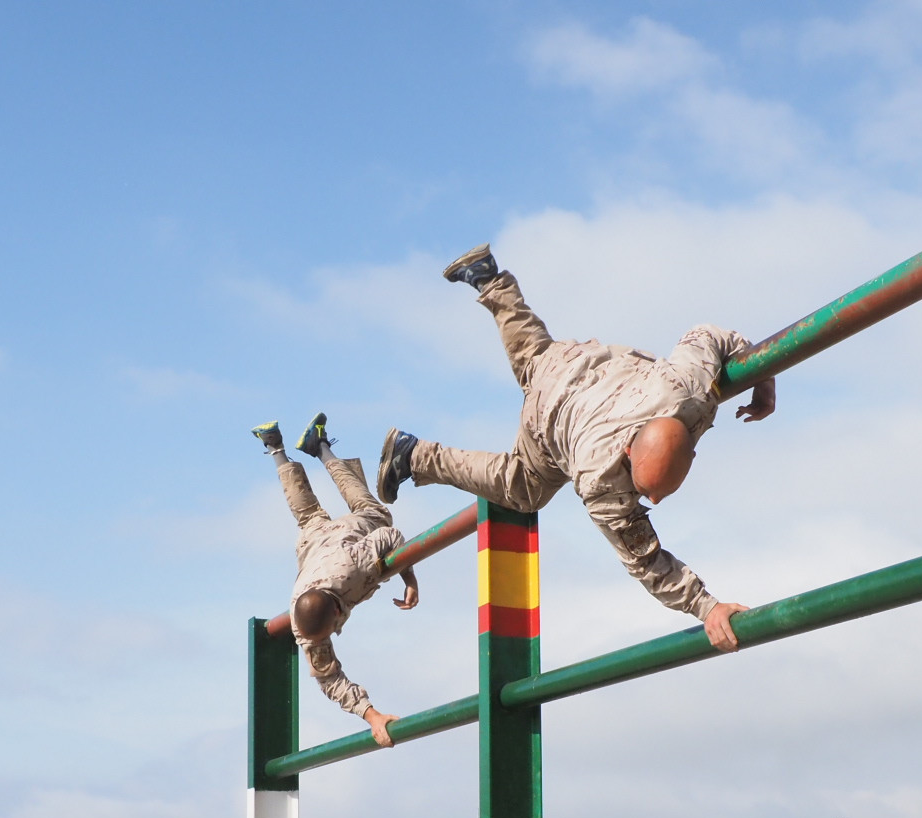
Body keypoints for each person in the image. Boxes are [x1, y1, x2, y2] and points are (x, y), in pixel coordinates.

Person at [378, 245, 777, 652]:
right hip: (551, 416)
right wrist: (705, 606)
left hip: (574, 363)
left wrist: (764, 376)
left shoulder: (688, 389)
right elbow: (646, 563)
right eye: (643, 491)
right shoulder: (601, 478)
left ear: (690, 450)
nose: (648, 500)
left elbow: (708, 334)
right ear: (627, 455)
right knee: (522, 488)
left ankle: (489, 278)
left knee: (536, 356)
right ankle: (414, 455)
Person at [254, 414, 419, 747]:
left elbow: (390, 535)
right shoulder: (306, 630)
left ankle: (317, 449)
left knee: (375, 511)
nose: (328, 640)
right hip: (316, 545)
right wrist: (372, 715)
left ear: (335, 611)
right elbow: (329, 679)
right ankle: (279, 447)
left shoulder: (353, 574)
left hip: (348, 539)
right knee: (308, 516)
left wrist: (409, 578)